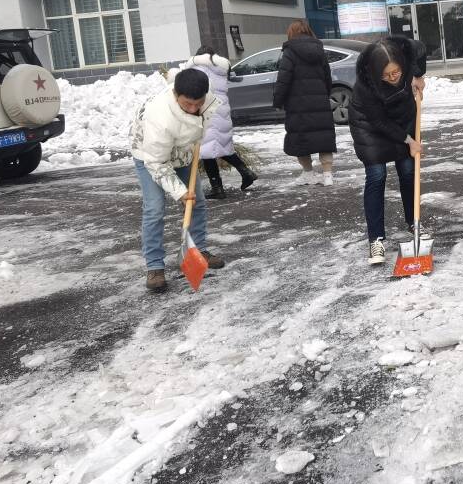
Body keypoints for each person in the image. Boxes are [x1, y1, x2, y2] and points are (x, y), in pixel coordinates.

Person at [130, 68, 227, 293]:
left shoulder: (207, 100)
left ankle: (198, 250)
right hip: (150, 156)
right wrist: (179, 192)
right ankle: (155, 266)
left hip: (183, 152)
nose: (193, 109)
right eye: (187, 104)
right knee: (154, 208)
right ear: (175, 95)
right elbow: (156, 162)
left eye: (198, 104)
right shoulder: (160, 116)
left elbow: (200, 122)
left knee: (197, 202)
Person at [348, 35, 427, 266]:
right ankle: (376, 239)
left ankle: (414, 222)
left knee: (408, 170)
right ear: (376, 72)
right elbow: (379, 121)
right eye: (386, 75)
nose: (393, 78)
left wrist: (418, 75)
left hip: (402, 116)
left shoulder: (406, 53)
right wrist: (408, 140)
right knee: (377, 175)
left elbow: (419, 49)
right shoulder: (365, 86)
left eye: (396, 73)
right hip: (369, 126)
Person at [180, 45, 256, 199]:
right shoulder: (220, 68)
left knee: (207, 152)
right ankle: (245, 172)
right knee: (221, 147)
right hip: (221, 112)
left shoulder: (199, 67)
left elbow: (195, 91)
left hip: (207, 112)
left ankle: (218, 188)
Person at [273, 20, 338, 186]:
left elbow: (283, 79)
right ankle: (328, 175)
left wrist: (278, 101)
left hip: (298, 104)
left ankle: (308, 173)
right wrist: (324, 95)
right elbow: (327, 76)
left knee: (300, 139)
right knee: (324, 138)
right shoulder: (319, 50)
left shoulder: (290, 51)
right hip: (320, 102)